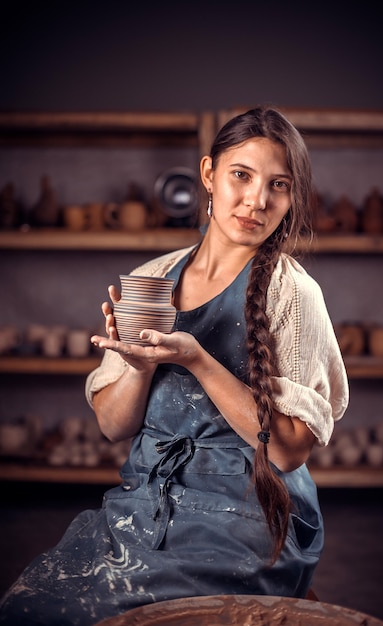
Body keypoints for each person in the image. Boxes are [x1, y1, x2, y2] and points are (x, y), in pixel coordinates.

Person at [0, 106, 349, 625]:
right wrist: (137, 367)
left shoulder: (292, 292)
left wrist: (199, 361)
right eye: (241, 175)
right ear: (208, 175)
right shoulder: (153, 277)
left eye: (279, 185)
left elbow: (290, 449)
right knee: (29, 608)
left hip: (246, 515)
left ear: (292, 197)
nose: (257, 200)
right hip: (147, 505)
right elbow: (114, 426)